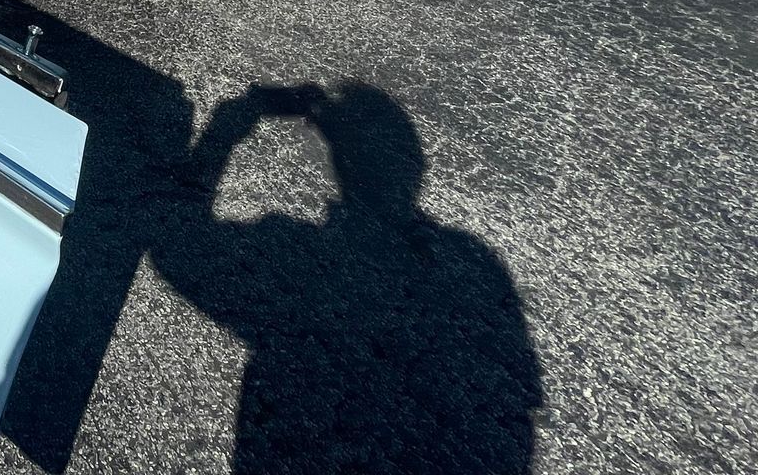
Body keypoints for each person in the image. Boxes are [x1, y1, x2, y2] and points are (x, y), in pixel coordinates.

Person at [149, 82, 543, 475]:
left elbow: (174, 245)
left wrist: (232, 121)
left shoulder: (298, 260)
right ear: (414, 164)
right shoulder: (467, 261)